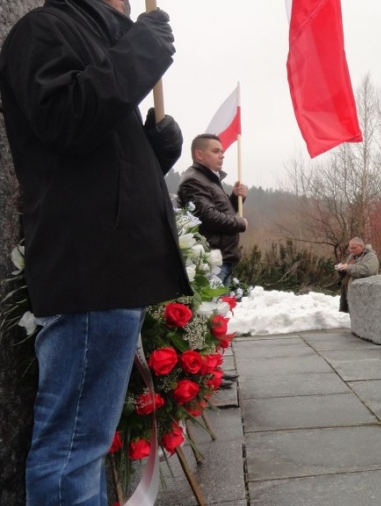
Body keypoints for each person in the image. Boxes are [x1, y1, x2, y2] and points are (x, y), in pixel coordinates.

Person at [0, 1, 192, 503]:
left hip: (109, 268)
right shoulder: (44, 30)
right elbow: (66, 120)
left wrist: (153, 150)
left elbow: (102, 166)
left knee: (84, 445)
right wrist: (141, 51)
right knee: (73, 449)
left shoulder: (94, 40)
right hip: (90, 267)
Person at [177, 134, 249, 285]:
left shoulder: (209, 180)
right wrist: (240, 223)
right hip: (211, 262)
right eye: (216, 151)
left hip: (221, 259)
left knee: (221, 301)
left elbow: (222, 213)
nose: (222, 156)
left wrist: (235, 198)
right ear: (199, 155)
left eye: (222, 152)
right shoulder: (194, 180)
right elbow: (207, 216)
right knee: (214, 301)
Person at [336, 237, 379, 313]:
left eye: (354, 248)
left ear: (361, 246)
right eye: (350, 248)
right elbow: (349, 270)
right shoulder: (352, 256)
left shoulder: (371, 256)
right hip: (349, 291)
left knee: (361, 314)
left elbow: (367, 270)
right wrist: (342, 269)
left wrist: (348, 267)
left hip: (363, 294)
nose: (351, 250)